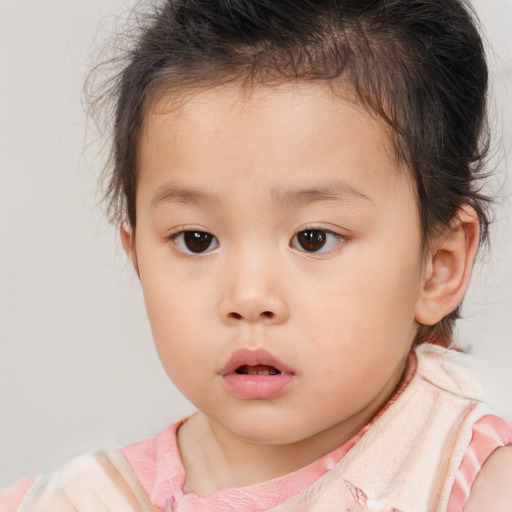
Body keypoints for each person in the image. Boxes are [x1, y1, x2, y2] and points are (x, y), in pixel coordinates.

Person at [1, 0, 511, 510]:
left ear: (438, 267)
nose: (249, 297)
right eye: (196, 239)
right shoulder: (85, 500)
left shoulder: (469, 482)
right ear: (137, 257)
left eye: (313, 238)